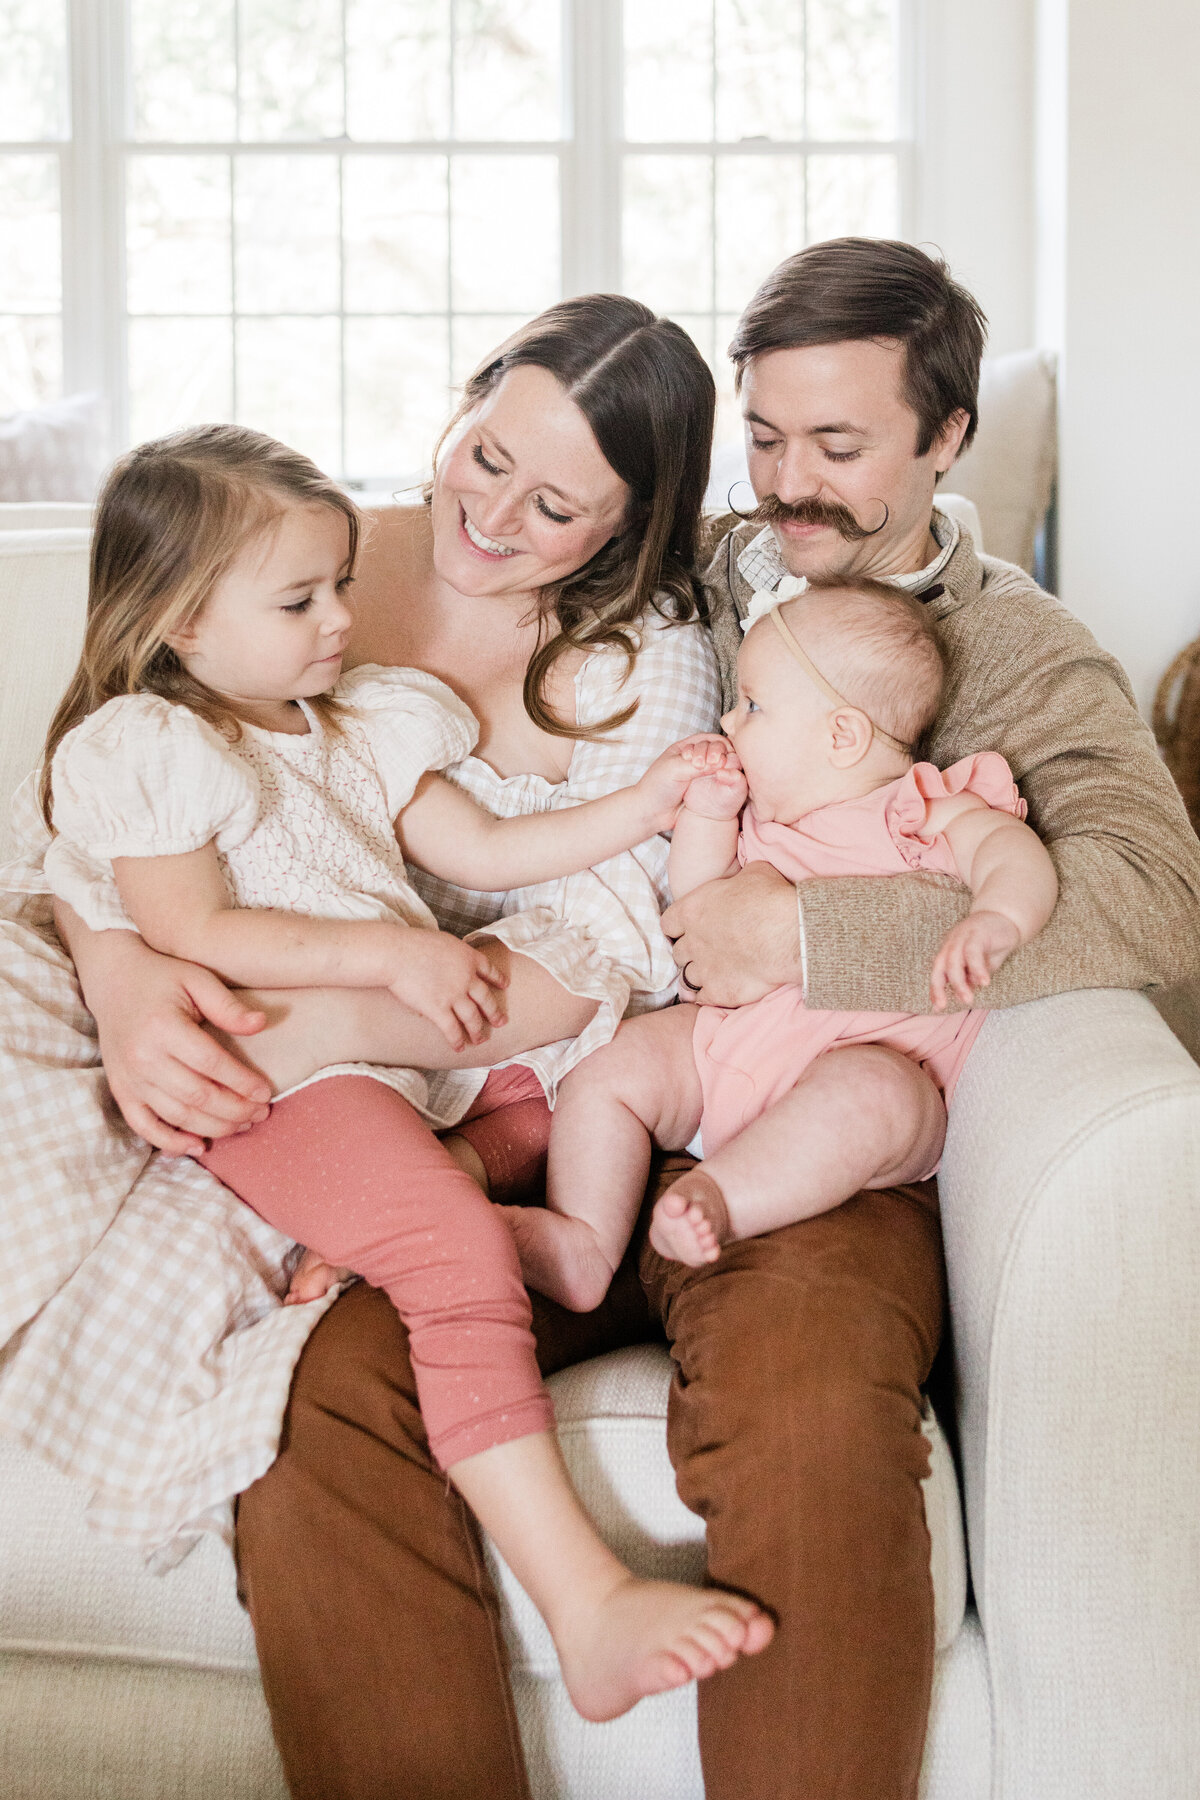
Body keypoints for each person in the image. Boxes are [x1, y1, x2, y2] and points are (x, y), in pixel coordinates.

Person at [51, 245, 1200, 1800]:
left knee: (801, 1414)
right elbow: (141, 786)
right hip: (551, 1103)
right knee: (326, 1392)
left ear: (946, 441)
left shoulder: (1015, 652)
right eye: (768, 436)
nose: (791, 486)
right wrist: (127, 970)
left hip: (813, 1131)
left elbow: (1152, 902)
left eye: (841, 447)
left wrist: (804, 926)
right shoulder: (679, 563)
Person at [507, 576, 1057, 1310]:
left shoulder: (919, 807)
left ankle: (722, 1199)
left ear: (842, 735)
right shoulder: (762, 824)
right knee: (610, 1062)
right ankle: (583, 1241)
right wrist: (708, 814)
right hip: (726, 1054)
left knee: (879, 1097)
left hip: (870, 1072)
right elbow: (697, 911)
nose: (729, 722)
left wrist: (999, 917)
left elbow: (1011, 852)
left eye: (753, 705)